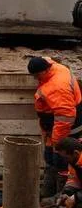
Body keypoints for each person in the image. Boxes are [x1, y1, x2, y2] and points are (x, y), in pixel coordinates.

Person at [27, 56, 82, 198]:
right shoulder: (54, 68)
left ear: (45, 70)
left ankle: (61, 196)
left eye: (37, 75)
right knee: (50, 159)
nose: (35, 79)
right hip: (55, 128)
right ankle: (48, 194)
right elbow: (48, 58)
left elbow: (65, 117)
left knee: (61, 162)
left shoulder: (57, 87)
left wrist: (57, 142)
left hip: (65, 130)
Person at [54, 137, 82, 208]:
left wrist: (75, 198)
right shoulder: (73, 161)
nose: (64, 161)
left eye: (66, 158)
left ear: (76, 153)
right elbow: (73, 180)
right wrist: (65, 194)